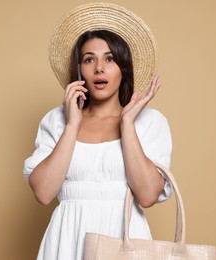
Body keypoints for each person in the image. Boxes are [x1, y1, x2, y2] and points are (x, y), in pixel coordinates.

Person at [24, 3, 172, 259]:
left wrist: (127, 125)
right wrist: (72, 125)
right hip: (67, 239)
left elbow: (147, 196)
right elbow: (44, 193)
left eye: (110, 59)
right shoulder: (57, 121)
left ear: (123, 68)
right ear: (79, 69)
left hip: (125, 240)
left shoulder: (149, 122)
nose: (99, 68)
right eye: (89, 59)